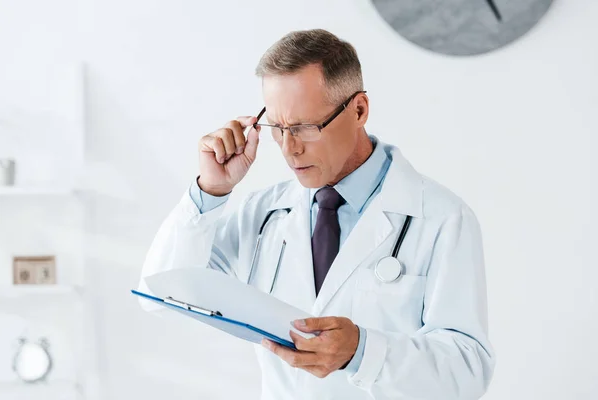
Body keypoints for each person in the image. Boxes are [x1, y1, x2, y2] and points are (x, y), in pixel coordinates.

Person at [138, 29, 495, 400]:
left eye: (305, 127)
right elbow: (158, 295)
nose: (289, 149)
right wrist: (210, 191)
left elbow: (467, 373)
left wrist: (362, 351)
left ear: (359, 110)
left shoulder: (441, 217)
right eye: (278, 129)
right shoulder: (264, 214)